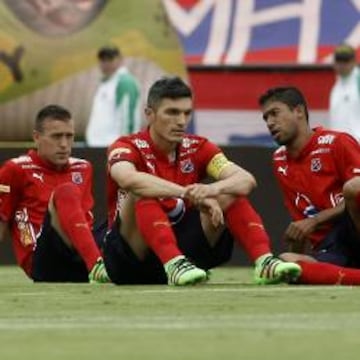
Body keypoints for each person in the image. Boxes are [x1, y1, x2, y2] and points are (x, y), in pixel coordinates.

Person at [101, 76, 301, 286]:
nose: (181, 121)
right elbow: (127, 178)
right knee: (141, 191)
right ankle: (174, 264)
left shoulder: (198, 147)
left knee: (230, 193)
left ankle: (264, 262)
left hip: (186, 253)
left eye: (187, 113)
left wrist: (210, 191)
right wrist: (187, 193)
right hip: (128, 260)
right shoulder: (126, 145)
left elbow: (245, 180)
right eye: (172, 112)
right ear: (149, 114)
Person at [259, 86, 360, 285]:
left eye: (275, 113)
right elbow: (301, 221)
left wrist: (315, 221)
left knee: (354, 188)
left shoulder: (336, 142)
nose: (270, 123)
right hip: (330, 246)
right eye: (266, 118)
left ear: (298, 111)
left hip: (354, 227)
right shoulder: (279, 161)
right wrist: (291, 269)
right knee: (286, 263)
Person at [0, 104, 110, 283]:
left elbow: (85, 217)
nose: (64, 144)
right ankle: (97, 265)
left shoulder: (83, 167)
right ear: (36, 137)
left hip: (81, 253)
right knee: (66, 192)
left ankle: (166, 266)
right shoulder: (15, 169)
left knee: (127, 205)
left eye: (69, 136)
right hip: (43, 259)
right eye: (56, 137)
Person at [85, 45, 142, 147]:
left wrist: (126, 147)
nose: (106, 64)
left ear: (120, 60)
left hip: (113, 147)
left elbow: (128, 118)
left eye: (110, 59)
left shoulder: (125, 82)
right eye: (103, 60)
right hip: (97, 145)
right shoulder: (106, 82)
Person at [329, 44, 360, 140]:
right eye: (339, 60)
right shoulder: (336, 87)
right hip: (339, 147)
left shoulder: (357, 80)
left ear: (354, 61)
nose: (342, 64)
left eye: (346, 61)